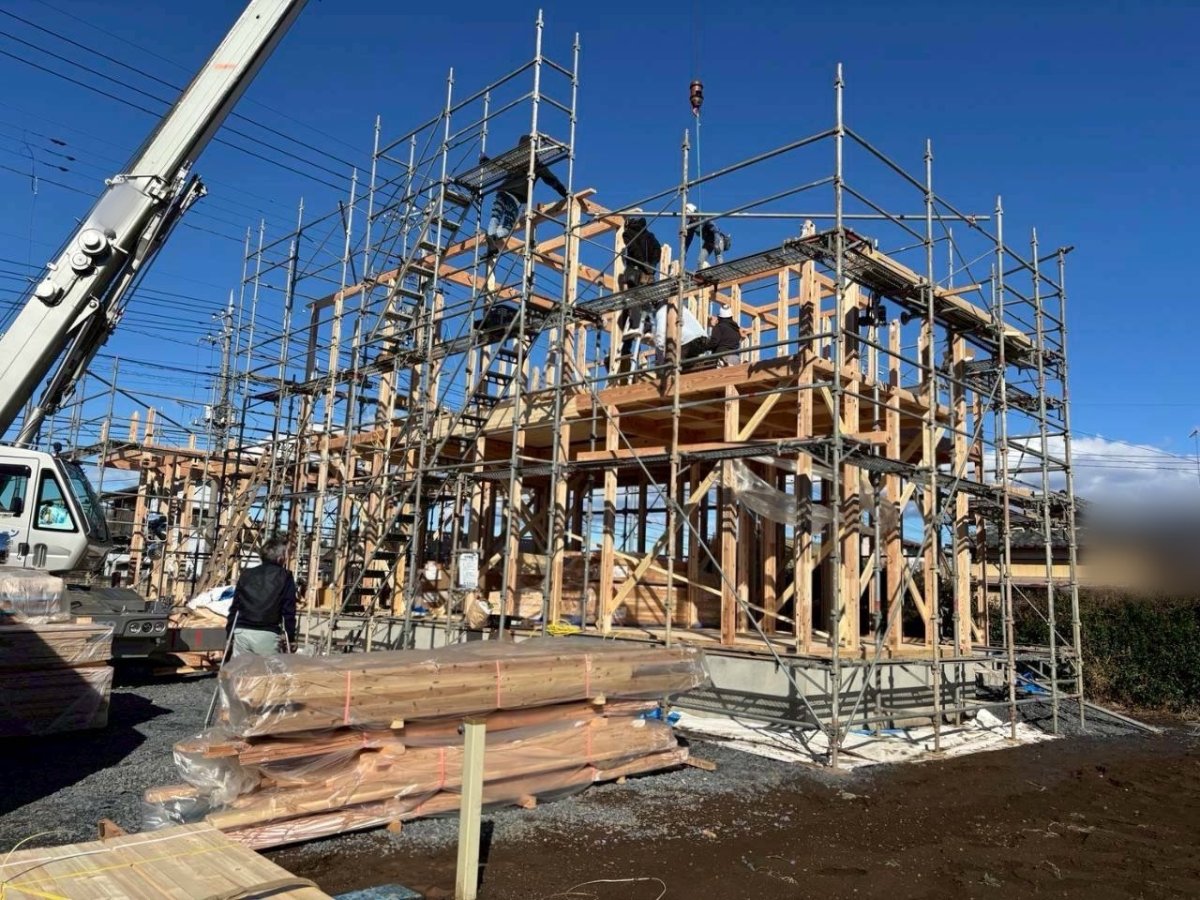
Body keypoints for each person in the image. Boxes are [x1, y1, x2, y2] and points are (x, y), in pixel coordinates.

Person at [483, 134, 568, 257]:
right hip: (516, 197)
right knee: (507, 228)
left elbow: (496, 168)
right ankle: (493, 237)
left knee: (495, 216)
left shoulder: (515, 159)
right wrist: (565, 193)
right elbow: (552, 180)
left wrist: (485, 161)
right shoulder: (536, 164)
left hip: (502, 191)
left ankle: (490, 236)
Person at [227, 535, 297, 658]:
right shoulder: (285, 576)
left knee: (242, 668)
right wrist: (290, 637)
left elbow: (235, 607)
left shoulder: (246, 574)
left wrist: (230, 633)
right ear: (280, 558)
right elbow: (288, 610)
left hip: (242, 631)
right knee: (268, 669)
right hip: (267, 632)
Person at [683, 202, 731, 269]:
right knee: (700, 261)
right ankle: (701, 273)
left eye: (691, 216)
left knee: (718, 253)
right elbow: (688, 241)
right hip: (708, 243)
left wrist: (716, 243)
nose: (691, 218)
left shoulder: (703, 218)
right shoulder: (691, 225)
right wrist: (684, 253)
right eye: (689, 217)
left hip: (717, 239)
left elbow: (715, 231)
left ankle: (720, 269)